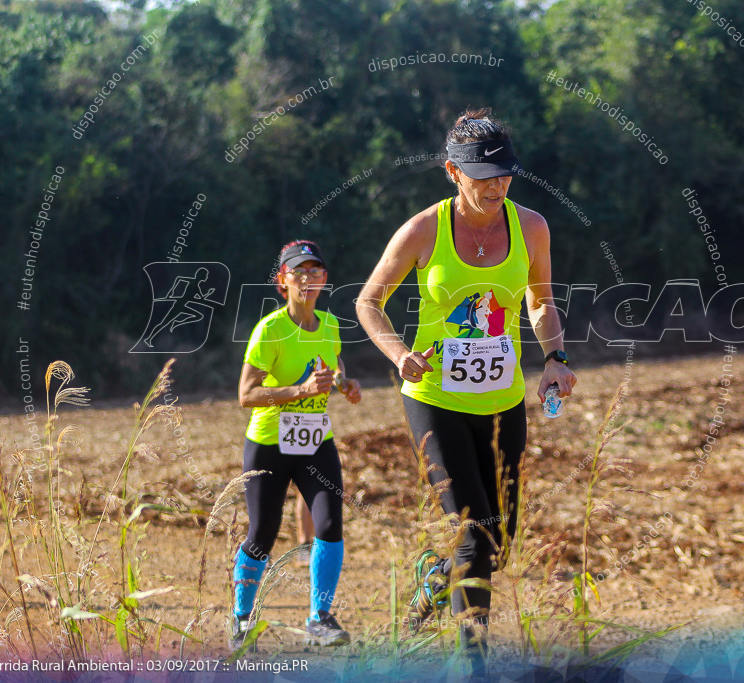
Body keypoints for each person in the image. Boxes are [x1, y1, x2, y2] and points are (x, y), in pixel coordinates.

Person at [356, 108, 577, 666]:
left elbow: (541, 299)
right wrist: (400, 354)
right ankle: (472, 660)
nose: (495, 185)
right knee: (476, 536)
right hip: (435, 404)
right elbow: (368, 302)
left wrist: (554, 356)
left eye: (504, 173)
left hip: (503, 403)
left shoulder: (532, 226)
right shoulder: (424, 229)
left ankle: (434, 578)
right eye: (481, 175)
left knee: (498, 545)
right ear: (452, 172)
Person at [231, 241, 362, 649]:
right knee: (262, 534)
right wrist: (299, 390)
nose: (307, 279)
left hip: (315, 441)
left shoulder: (330, 324)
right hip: (270, 443)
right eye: (297, 272)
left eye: (315, 271)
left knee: (328, 524)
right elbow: (246, 395)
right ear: (282, 282)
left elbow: (334, 368)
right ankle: (241, 620)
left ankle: (319, 618)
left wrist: (346, 385)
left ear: (324, 279)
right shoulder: (270, 330)